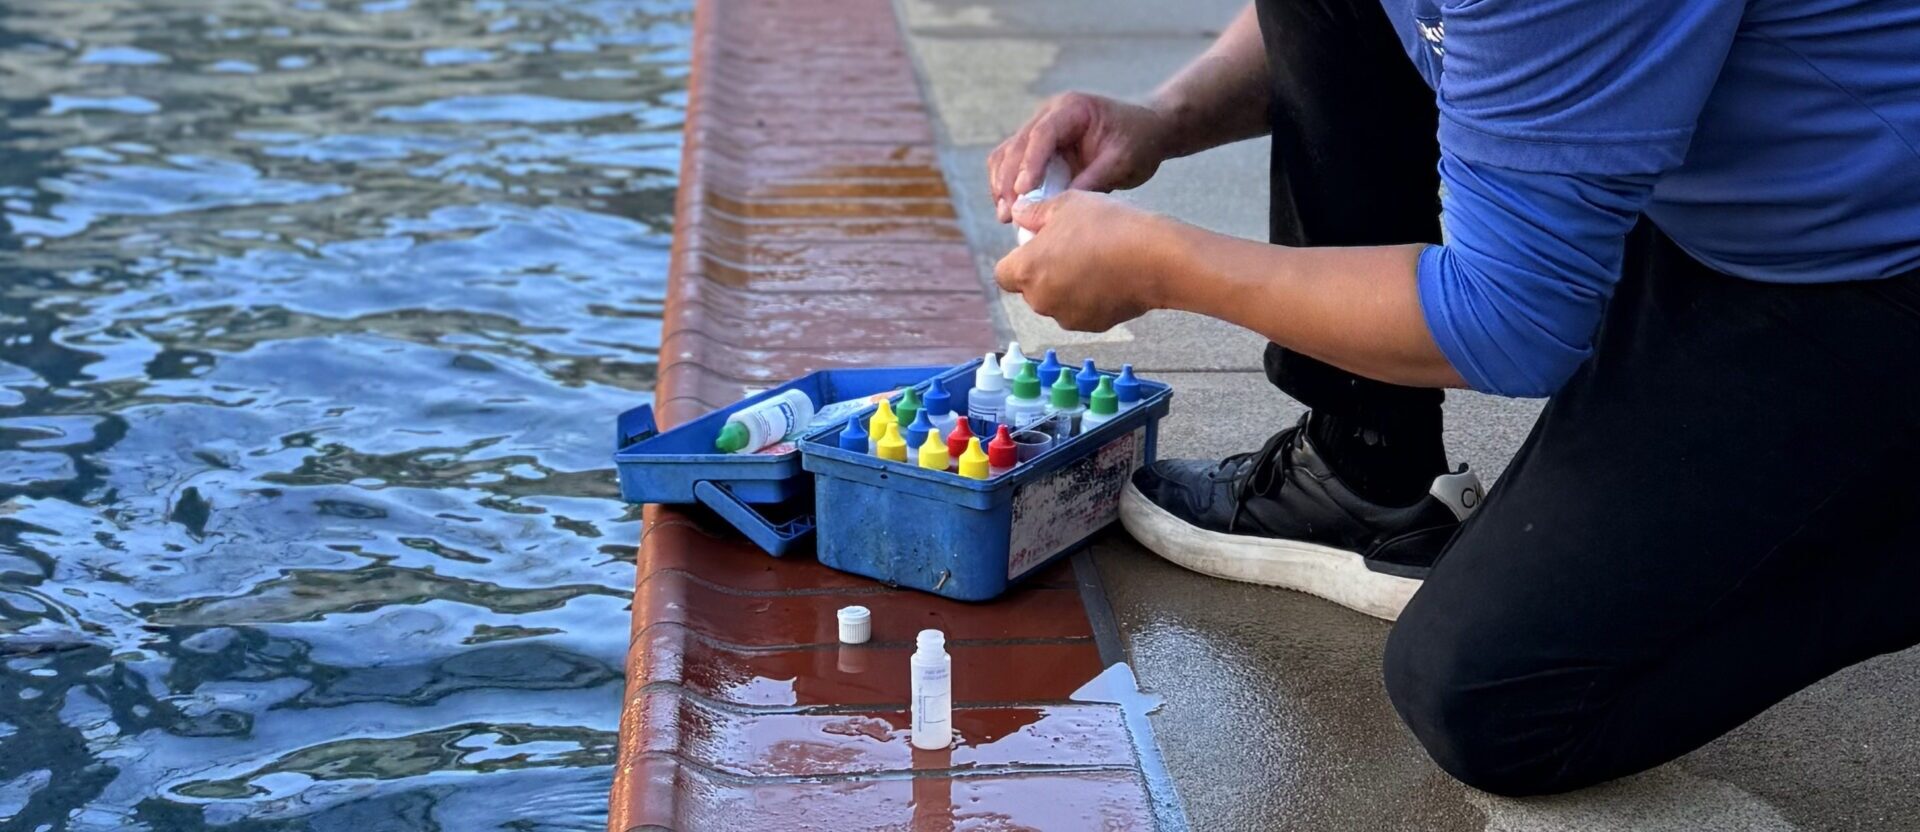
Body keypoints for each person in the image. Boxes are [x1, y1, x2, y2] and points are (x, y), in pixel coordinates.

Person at [988, 0, 1920, 798]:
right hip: (1715, 184)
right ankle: (1361, 473)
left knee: (1495, 697)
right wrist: (1162, 117)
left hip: (1864, 271)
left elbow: (1514, 317)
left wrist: (1160, 266)